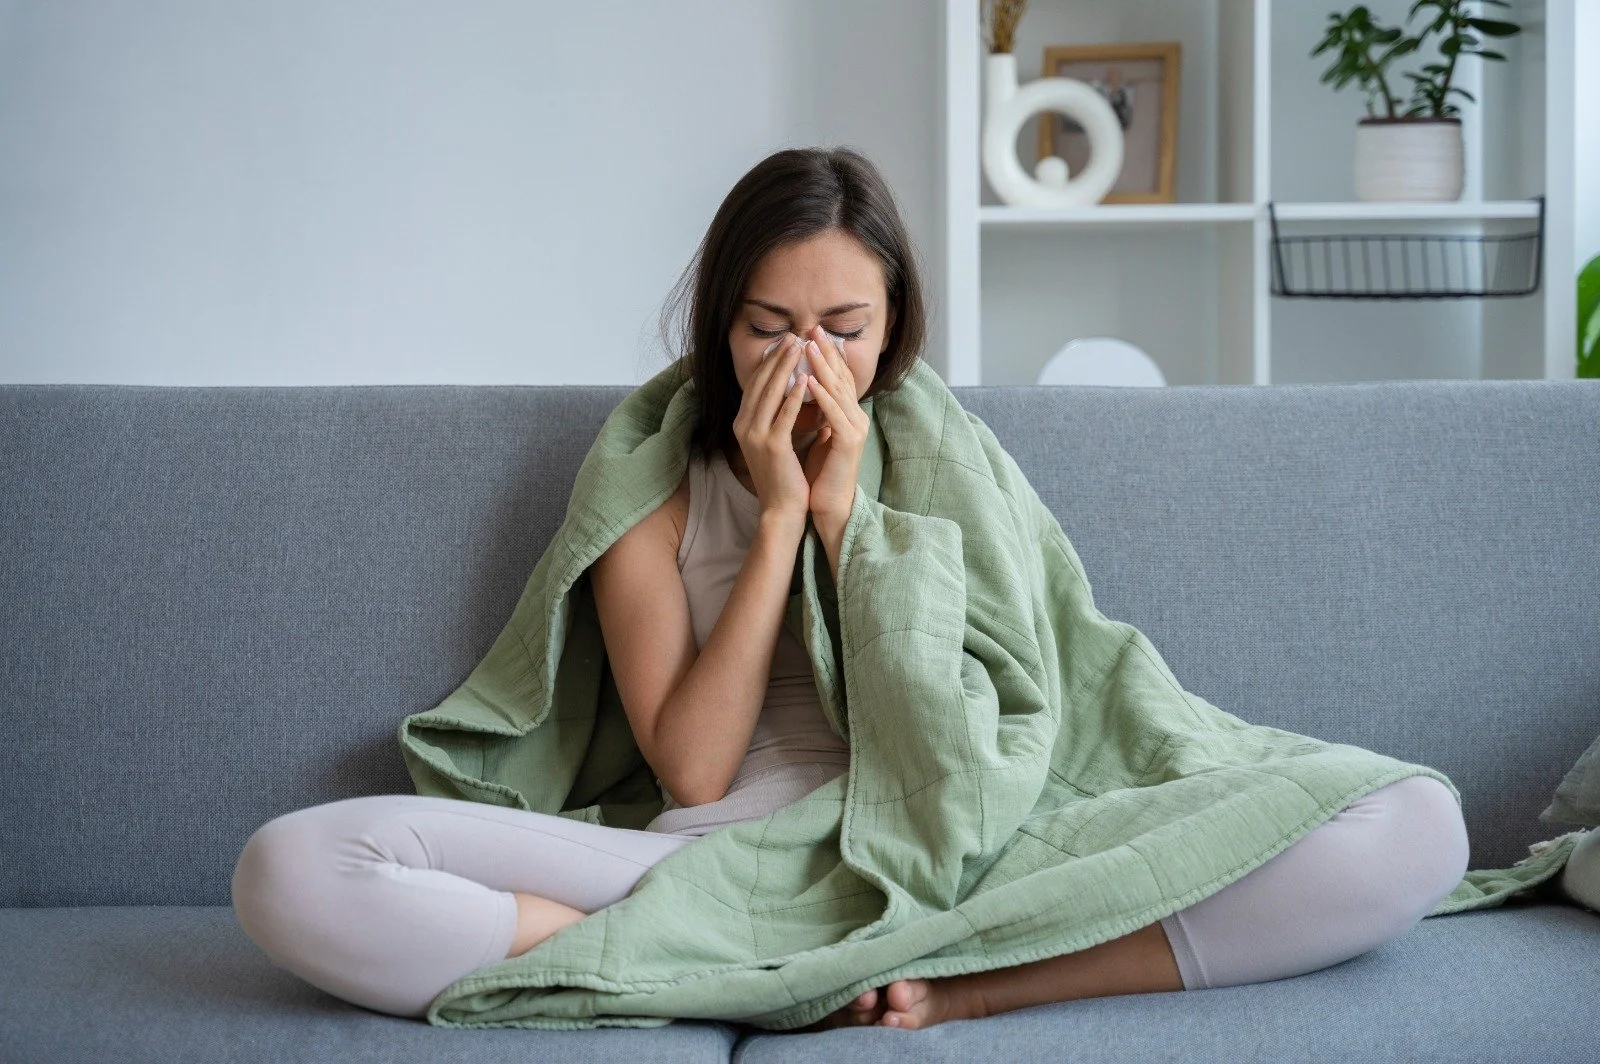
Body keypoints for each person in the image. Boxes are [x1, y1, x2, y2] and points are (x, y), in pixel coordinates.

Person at [230, 146, 1470, 1030]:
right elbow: (695, 773)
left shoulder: (947, 457)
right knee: (291, 867)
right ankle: (746, 963)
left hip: (972, 843)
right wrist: (778, 517)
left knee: (1415, 821)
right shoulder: (651, 477)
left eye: (844, 326)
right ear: (721, 327)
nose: (808, 359)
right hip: (715, 864)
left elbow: (978, 742)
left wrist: (850, 517)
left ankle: (967, 979)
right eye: (769, 325)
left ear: (895, 329)